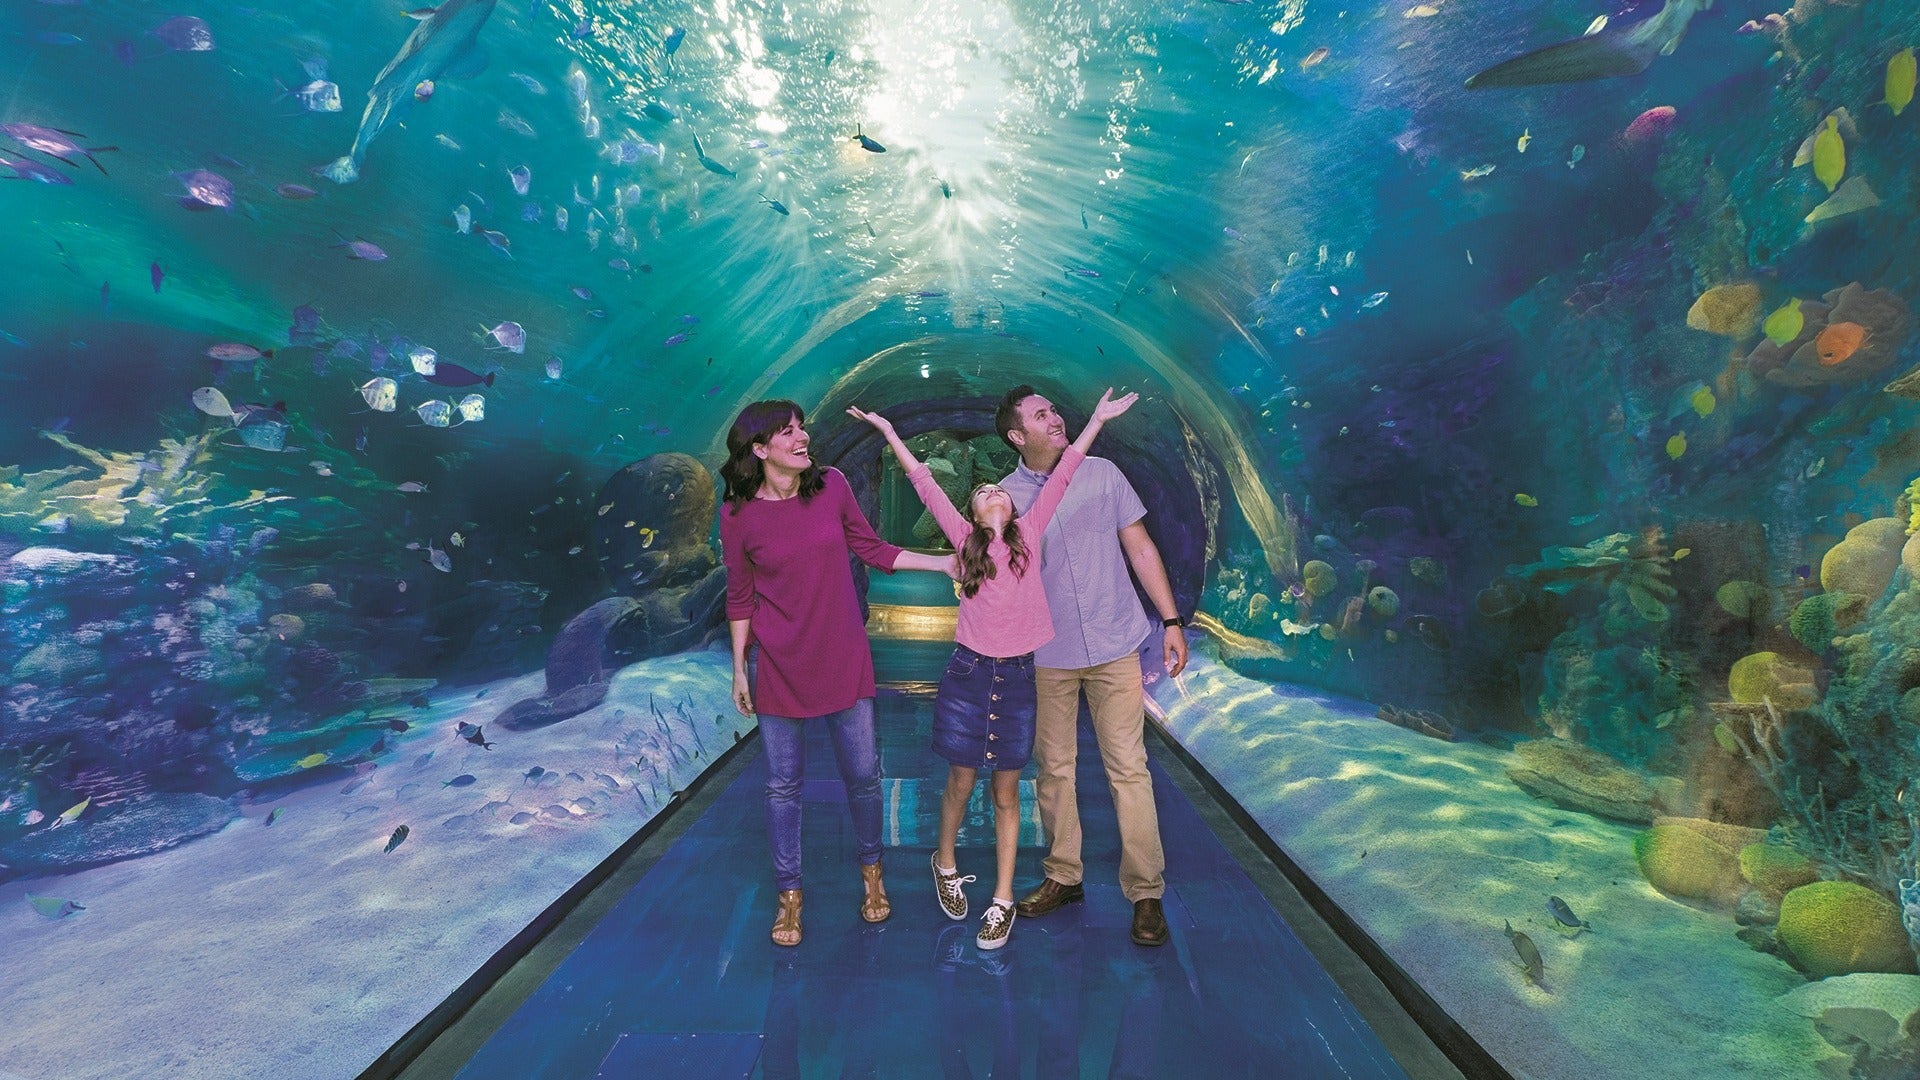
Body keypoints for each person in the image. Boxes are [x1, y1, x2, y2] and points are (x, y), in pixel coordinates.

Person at [847, 389, 1136, 951]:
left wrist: (1097, 418)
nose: (992, 491)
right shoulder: (964, 544)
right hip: (967, 677)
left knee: (1008, 792)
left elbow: (1067, 470)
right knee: (959, 780)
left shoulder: (1029, 535)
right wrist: (887, 430)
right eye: (982, 491)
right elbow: (924, 484)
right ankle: (945, 862)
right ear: (974, 515)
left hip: (1020, 680)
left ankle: (1002, 898)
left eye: (997, 488)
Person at [719, 399, 958, 947]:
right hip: (777, 660)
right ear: (759, 450)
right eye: (787, 432)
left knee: (864, 777)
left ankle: (873, 876)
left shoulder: (832, 486)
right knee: (782, 787)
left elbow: (871, 549)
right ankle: (790, 897)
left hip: (843, 652)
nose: (802, 438)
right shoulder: (737, 514)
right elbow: (740, 595)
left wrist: (942, 561)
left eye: (802, 428)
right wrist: (739, 667)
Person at [994, 386, 1191, 947]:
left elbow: (1141, 547)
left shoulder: (1103, 473)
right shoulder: (1005, 497)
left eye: (1055, 409)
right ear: (1016, 436)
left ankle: (1146, 890)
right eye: (1040, 415)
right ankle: (1063, 875)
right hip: (1048, 652)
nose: (1054, 417)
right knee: (1054, 767)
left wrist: (1171, 621)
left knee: (1128, 765)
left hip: (1115, 640)